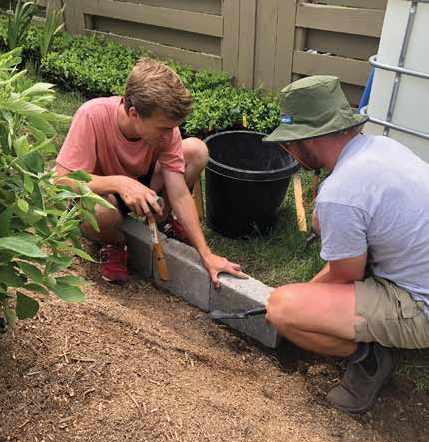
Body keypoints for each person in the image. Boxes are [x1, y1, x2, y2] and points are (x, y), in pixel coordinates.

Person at [264, 75, 429, 414]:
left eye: (290, 143)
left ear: (309, 138)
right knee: (326, 225)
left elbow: (344, 275)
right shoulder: (383, 147)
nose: (290, 151)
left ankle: (369, 359)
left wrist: (302, 299)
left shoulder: (341, 192)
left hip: (420, 305)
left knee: (282, 308)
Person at [55, 57, 246, 286]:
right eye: (163, 128)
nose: (169, 135)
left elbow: (180, 193)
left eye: (173, 128)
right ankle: (114, 243)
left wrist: (207, 255)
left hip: (144, 183)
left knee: (196, 150)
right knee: (100, 211)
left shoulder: (167, 131)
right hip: (104, 194)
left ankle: (162, 219)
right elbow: (62, 180)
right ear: (134, 113)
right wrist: (120, 183)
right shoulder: (92, 115)